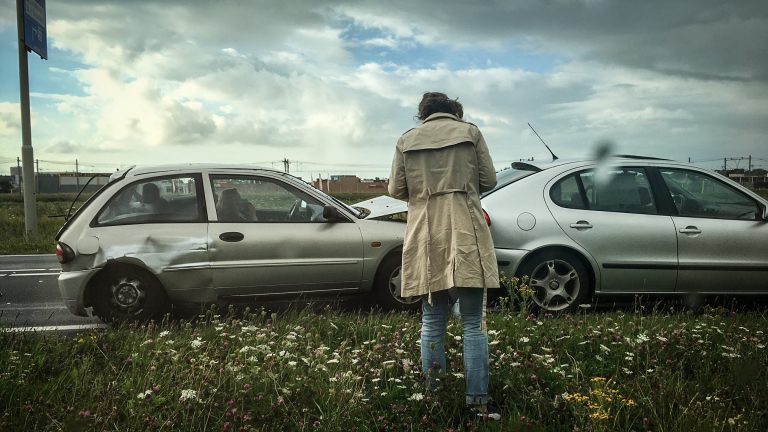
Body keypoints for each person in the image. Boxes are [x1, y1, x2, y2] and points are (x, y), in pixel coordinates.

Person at [388, 92, 500, 419]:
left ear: (422, 113)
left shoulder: (406, 140)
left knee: (432, 320)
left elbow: (396, 190)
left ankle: (434, 398)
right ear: (454, 110)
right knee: (473, 323)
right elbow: (489, 180)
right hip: (466, 228)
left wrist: (425, 192)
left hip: (426, 232)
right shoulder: (470, 133)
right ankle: (477, 403)